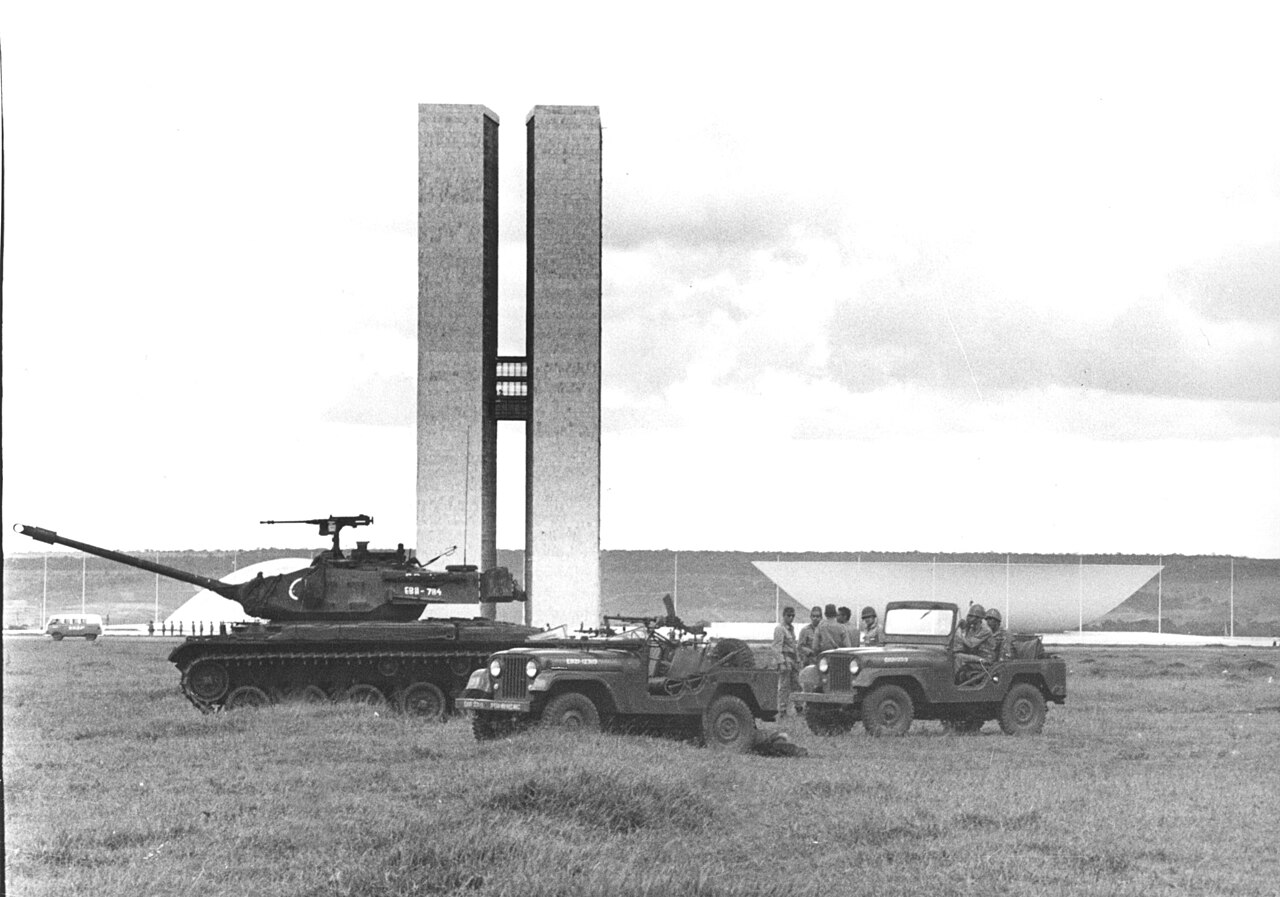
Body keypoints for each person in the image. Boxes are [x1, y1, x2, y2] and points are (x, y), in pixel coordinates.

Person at [953, 604, 996, 682]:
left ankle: (954, 682)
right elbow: (966, 642)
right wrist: (965, 628)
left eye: (971, 616)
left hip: (985, 659)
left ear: (978, 618)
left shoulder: (985, 630)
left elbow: (971, 644)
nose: (968, 618)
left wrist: (962, 632)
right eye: (969, 615)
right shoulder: (973, 627)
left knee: (958, 657)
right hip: (976, 655)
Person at [772, 607, 800, 717]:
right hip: (785, 658)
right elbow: (776, 647)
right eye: (789, 615)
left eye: (793, 615)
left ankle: (799, 707)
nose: (791, 618)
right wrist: (781, 662)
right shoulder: (780, 629)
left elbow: (793, 645)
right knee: (784, 686)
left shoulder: (790, 629)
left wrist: (797, 659)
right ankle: (782, 709)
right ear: (783, 615)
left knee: (796, 685)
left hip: (792, 659)